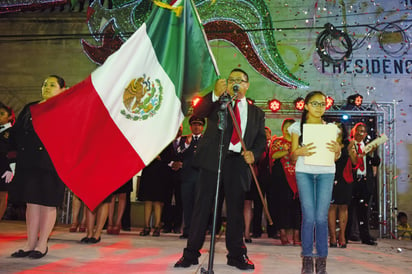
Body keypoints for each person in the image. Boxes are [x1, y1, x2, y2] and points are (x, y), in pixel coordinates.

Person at [174, 68, 266, 270]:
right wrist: (215, 94)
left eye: (240, 80)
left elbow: (261, 141)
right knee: (202, 208)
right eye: (231, 79)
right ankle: (190, 254)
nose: (235, 83)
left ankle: (236, 255)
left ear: (247, 85)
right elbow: (198, 112)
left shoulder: (257, 113)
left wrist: (254, 153)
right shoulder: (219, 104)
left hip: (238, 163)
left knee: (235, 211)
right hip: (213, 162)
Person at [8, 75, 67, 259]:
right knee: (31, 203)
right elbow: (17, 134)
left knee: (47, 203)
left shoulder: (64, 109)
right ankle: (30, 243)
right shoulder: (30, 107)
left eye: (52, 85)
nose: (47, 87)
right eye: (44, 84)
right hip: (28, 162)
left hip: (51, 163)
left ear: (63, 89)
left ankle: (42, 244)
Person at [289, 91, 341, 274]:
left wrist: (338, 151)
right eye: (315, 103)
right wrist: (299, 152)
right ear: (306, 106)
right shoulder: (297, 127)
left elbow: (335, 156)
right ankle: (307, 260)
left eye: (322, 103)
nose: (319, 107)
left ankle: (322, 262)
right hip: (305, 172)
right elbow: (292, 154)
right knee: (309, 217)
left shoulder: (332, 128)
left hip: (326, 173)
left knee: (321, 218)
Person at [346, 122, 380, 246]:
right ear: (353, 132)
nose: (361, 133)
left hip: (365, 181)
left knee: (364, 211)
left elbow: (376, 161)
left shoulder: (368, 146)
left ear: (366, 134)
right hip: (352, 181)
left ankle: (365, 237)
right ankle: (345, 236)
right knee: (349, 210)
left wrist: (371, 153)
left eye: (363, 131)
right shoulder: (350, 145)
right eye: (358, 131)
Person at [270, 118, 301, 246]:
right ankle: (282, 233)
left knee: (298, 207)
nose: (289, 130)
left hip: (298, 178)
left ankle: (296, 235)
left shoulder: (299, 143)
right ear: (283, 129)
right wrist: (288, 151)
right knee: (282, 207)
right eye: (286, 128)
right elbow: (273, 156)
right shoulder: (278, 141)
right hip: (282, 178)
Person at [328, 123, 357, 248]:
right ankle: (333, 236)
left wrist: (351, 151)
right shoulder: (328, 142)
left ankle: (342, 236)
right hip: (330, 176)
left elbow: (355, 163)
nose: (337, 129)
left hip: (345, 178)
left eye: (339, 127)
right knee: (331, 207)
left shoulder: (348, 143)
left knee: (343, 207)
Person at [178, 116, 205, 239]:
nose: (196, 127)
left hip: (201, 177)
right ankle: (187, 230)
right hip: (187, 177)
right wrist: (187, 144)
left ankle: (198, 232)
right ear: (190, 126)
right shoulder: (184, 139)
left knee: (198, 206)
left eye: (199, 125)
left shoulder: (206, 140)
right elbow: (178, 152)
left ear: (202, 127)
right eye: (194, 124)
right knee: (187, 204)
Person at [137, 147, 170, 237]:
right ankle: (146, 226)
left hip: (160, 172)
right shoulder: (150, 141)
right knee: (147, 200)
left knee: (157, 200)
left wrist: (159, 157)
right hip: (148, 171)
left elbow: (169, 157)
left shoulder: (166, 141)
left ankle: (157, 226)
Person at [0, 102, 15, 221]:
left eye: (2, 114)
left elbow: (14, 151)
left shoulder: (12, 131)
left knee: (2, 195)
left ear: (10, 117)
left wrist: (12, 169)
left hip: (5, 167)